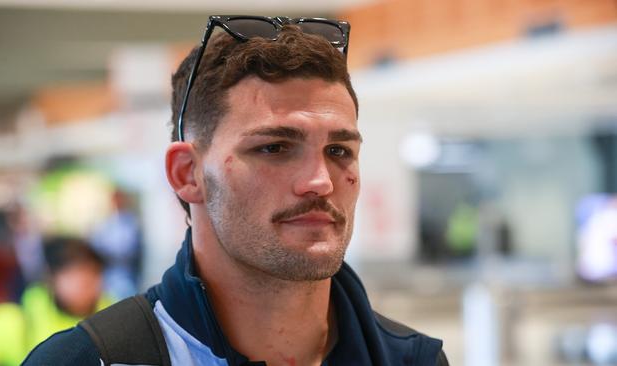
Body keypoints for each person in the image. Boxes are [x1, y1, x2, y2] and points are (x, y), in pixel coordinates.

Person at [24, 15, 448, 365]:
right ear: (188, 173)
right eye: (275, 147)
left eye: (339, 150)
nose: (320, 181)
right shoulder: (90, 359)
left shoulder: (413, 360)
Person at [0, 236, 112, 366]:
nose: (83, 283)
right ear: (51, 277)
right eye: (72, 274)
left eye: (92, 273)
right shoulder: (9, 320)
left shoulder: (115, 320)